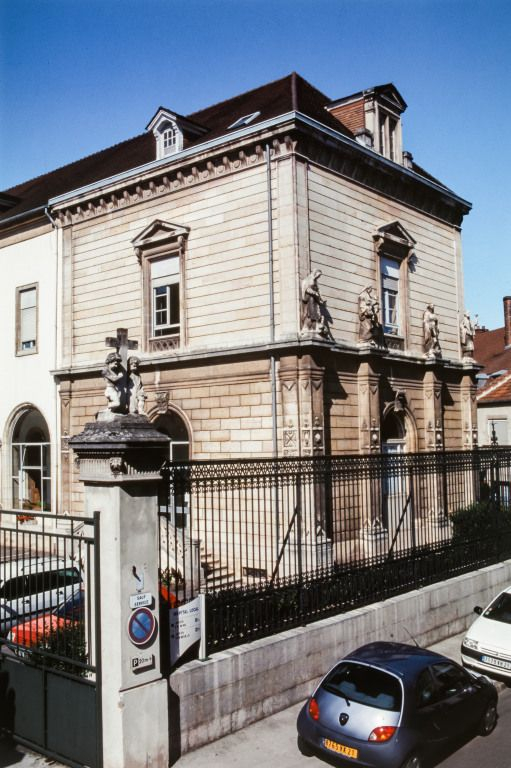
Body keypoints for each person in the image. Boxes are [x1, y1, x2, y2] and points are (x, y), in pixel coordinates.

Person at [301, 270, 329, 336]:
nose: (318, 277)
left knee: (316, 314)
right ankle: (307, 327)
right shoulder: (307, 280)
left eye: (319, 276)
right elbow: (306, 289)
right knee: (311, 314)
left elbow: (318, 291)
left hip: (315, 300)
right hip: (310, 299)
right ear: (315, 273)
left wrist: (322, 299)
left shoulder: (315, 281)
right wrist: (314, 293)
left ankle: (315, 327)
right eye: (318, 275)